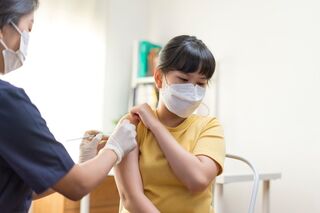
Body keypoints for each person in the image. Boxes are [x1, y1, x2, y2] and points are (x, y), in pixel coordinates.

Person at [0, 0, 137, 212]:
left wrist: (78, 166)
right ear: (4, 28)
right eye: (28, 29)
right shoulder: (7, 102)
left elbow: (13, 189)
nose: (26, 39)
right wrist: (115, 148)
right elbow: (77, 186)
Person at [114, 35, 226, 213]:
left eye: (200, 83)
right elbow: (131, 198)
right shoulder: (133, 124)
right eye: (183, 79)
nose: (192, 90)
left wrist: (156, 126)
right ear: (159, 78)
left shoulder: (209, 126)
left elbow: (197, 180)